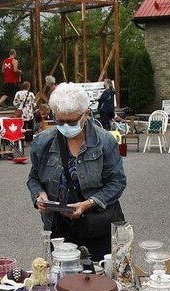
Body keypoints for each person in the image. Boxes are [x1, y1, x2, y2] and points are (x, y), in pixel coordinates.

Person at [27, 82, 127, 261]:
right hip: (59, 228)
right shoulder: (43, 142)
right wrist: (39, 195)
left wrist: (87, 204)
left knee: (100, 278)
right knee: (65, 280)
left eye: (72, 121)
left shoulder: (104, 141)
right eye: (59, 120)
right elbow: (34, 178)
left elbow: (117, 182)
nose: (65, 126)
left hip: (98, 225)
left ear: (86, 114)